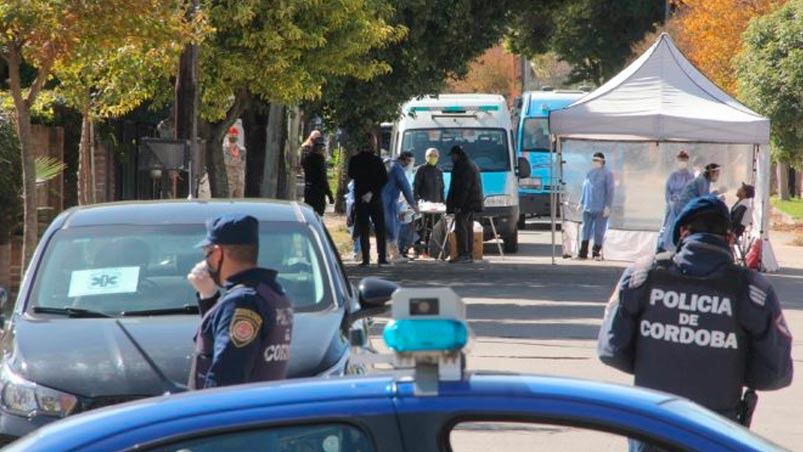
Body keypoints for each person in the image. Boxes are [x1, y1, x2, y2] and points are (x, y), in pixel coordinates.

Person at [598, 196, 793, 445]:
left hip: (652, 427)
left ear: (681, 232)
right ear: (730, 238)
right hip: (716, 433)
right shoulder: (753, 290)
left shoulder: (642, 275)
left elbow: (610, 350)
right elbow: (774, 374)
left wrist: (657, 360)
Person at [186, 214, 294, 389]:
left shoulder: (242, 302)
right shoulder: (271, 292)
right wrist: (208, 295)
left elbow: (225, 379)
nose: (206, 261)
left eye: (207, 253)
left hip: (228, 414)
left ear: (218, 252)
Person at [348, 134, 389, 266]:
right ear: (373, 145)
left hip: (360, 197)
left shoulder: (355, 160)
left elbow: (351, 174)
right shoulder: (377, 161)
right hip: (375, 197)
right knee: (379, 228)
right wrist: (372, 191)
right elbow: (384, 179)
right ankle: (381, 257)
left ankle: (366, 258)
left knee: (364, 228)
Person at [446, 145, 483, 264]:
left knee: (461, 228)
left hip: (465, 203)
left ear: (457, 155)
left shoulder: (463, 166)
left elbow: (463, 188)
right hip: (471, 203)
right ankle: (468, 254)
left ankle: (464, 254)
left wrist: (458, 205)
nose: (451, 158)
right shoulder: (469, 164)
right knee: (467, 228)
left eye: (452, 156)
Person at [382, 151, 419, 263]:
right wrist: (413, 205)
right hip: (389, 201)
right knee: (392, 227)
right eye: (410, 161)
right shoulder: (397, 168)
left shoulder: (389, 164)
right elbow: (405, 187)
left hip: (380, 200)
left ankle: (385, 254)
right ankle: (394, 255)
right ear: (406, 160)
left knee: (383, 228)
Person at [577, 152, 615, 260]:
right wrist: (581, 202)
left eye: (597, 160)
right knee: (585, 229)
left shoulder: (608, 174)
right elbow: (585, 189)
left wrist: (608, 206)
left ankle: (596, 251)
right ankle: (583, 251)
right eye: (594, 160)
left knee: (599, 230)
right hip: (588, 206)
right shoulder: (589, 173)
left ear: (602, 161)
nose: (595, 162)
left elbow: (610, 191)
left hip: (600, 207)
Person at [657, 151, 695, 252]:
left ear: (687, 161)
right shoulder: (673, 176)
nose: (683, 162)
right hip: (673, 206)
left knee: (682, 228)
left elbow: (692, 192)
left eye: (684, 160)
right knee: (668, 227)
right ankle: (663, 248)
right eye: (681, 160)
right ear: (677, 161)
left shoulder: (691, 176)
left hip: (685, 207)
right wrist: (670, 201)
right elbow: (667, 191)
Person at [301, 139, 334, 216]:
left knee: (309, 212)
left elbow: (303, 164)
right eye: (323, 150)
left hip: (308, 189)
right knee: (318, 213)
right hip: (318, 191)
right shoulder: (319, 160)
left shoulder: (307, 158)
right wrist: (329, 195)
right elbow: (323, 178)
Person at [223, 126, 246, 197]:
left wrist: (233, 158)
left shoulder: (242, 150)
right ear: (228, 136)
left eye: (235, 136)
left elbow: (242, 164)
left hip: (239, 181)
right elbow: (227, 162)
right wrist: (236, 156)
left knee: (239, 204)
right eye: (231, 135)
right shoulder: (224, 148)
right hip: (229, 181)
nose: (233, 138)